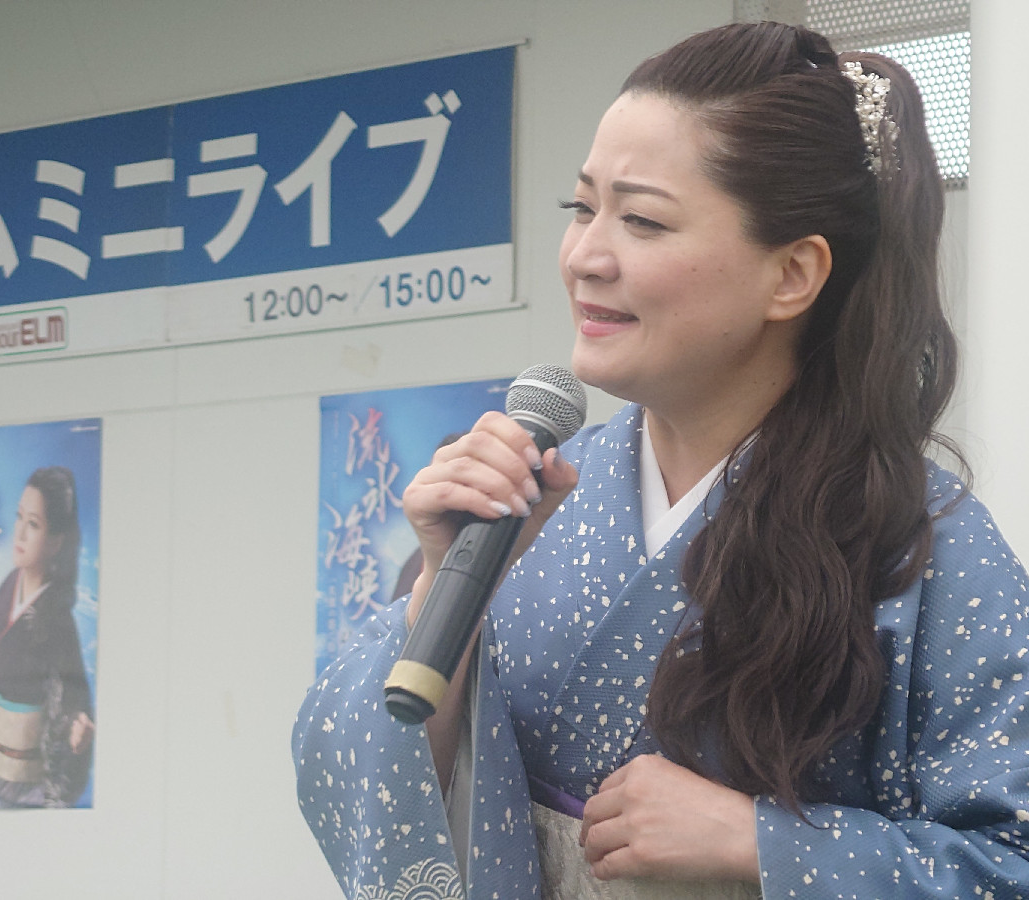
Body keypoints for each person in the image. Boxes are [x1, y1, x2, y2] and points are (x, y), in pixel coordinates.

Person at [293, 21, 1029, 899]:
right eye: (581, 209)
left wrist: (763, 843)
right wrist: (442, 592)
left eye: (641, 219)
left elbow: (1011, 861)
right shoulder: (529, 505)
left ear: (793, 274)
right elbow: (361, 776)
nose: (584, 257)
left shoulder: (927, 545)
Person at [0, 466, 95, 808]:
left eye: (33, 524)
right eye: (19, 517)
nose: (19, 532)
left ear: (56, 541)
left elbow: (74, 702)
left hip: (25, 788)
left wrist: (77, 731)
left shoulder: (57, 621)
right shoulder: (10, 585)